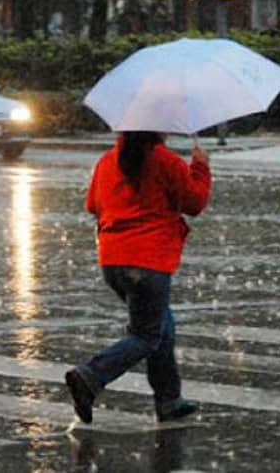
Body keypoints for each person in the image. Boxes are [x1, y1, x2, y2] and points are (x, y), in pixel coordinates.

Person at [65, 131, 211, 423]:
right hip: (149, 260)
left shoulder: (108, 160)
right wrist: (200, 167)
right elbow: (194, 203)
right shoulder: (165, 161)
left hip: (113, 260)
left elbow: (92, 205)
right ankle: (92, 375)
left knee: (162, 327)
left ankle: (169, 400)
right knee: (146, 335)